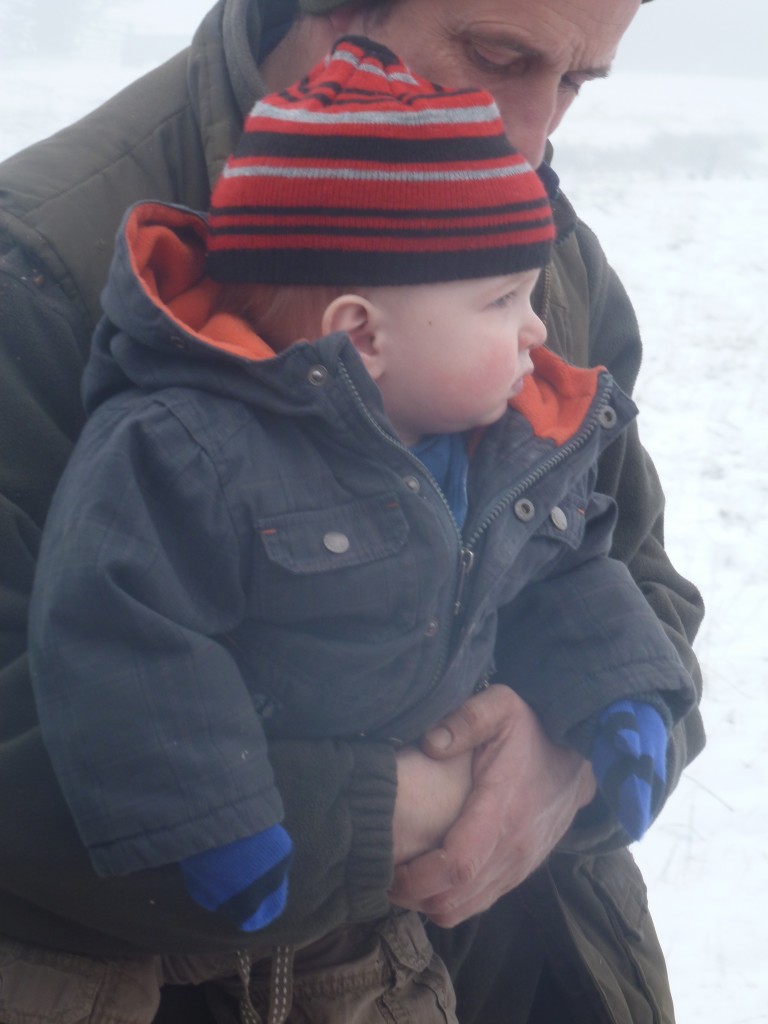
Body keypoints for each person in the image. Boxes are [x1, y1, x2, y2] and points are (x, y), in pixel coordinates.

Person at [0, 2, 705, 1023]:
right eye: (498, 56)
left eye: (577, 83)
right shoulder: (35, 271)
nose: (534, 130)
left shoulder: (540, 239)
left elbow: (628, 570)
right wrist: (384, 812)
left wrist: (582, 757)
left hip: (514, 961)